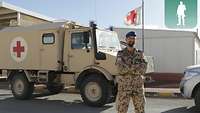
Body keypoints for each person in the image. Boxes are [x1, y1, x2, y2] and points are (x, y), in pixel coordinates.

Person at [115, 31, 147, 113]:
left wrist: (127, 67)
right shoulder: (120, 54)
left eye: (133, 38)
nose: (131, 40)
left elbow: (143, 69)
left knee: (140, 110)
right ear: (126, 39)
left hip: (138, 87)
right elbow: (120, 69)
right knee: (121, 110)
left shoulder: (140, 54)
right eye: (129, 38)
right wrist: (136, 67)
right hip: (124, 87)